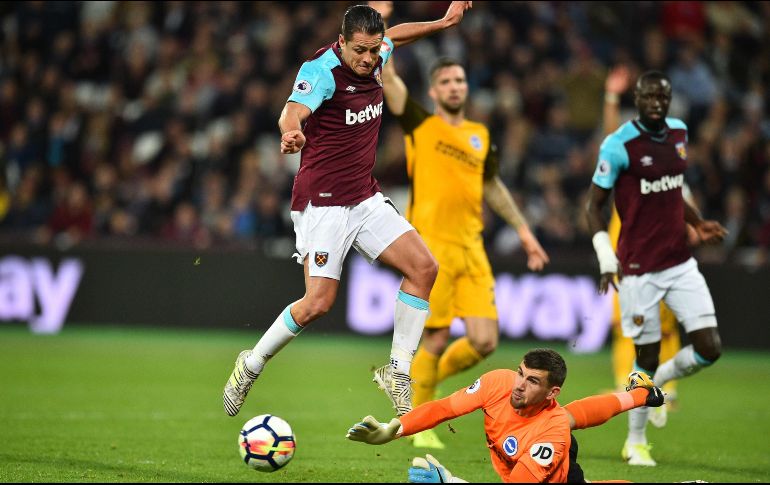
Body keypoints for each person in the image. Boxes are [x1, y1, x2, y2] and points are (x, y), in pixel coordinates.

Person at [223, 2, 473, 419]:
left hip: (364, 197)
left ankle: (397, 371)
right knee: (317, 303)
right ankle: (251, 363)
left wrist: (444, 22)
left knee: (424, 269)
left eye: (374, 51)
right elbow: (292, 110)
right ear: (342, 42)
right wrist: (292, 133)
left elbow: (399, 35)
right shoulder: (320, 71)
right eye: (360, 50)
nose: (369, 59)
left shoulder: (375, 55)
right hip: (323, 203)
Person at [377, 51, 549, 450]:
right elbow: (389, 79)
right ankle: (417, 424)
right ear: (434, 91)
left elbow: (492, 186)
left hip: (473, 247)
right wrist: (381, 24)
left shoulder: (480, 134)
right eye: (447, 81)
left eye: (460, 80)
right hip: (432, 246)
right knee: (435, 340)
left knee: (485, 341)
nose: (455, 86)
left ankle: (425, 383)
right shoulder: (420, 124)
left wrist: (524, 231)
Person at [585, 70, 727, 466]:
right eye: (648, 97)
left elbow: (674, 190)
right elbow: (593, 207)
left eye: (662, 97)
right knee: (643, 356)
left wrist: (697, 222)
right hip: (638, 268)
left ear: (669, 99)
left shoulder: (680, 133)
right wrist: (604, 256)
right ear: (637, 98)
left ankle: (659, 381)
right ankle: (635, 441)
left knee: (709, 348)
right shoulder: (618, 145)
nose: (656, 103)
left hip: (680, 261)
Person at [346, 348, 666, 483]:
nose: (519, 385)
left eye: (532, 381)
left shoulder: (552, 435)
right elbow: (445, 408)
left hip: (549, 463)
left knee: (560, 423)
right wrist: (396, 428)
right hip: (541, 434)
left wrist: (452, 481)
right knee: (567, 417)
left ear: (552, 392)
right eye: (520, 373)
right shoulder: (499, 382)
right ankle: (640, 393)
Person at [603, 65, 683, 427]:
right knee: (630, 327)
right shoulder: (621, 152)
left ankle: (666, 390)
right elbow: (609, 137)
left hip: (663, 249)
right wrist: (610, 97)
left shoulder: (668, 149)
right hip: (630, 251)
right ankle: (633, 388)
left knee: (665, 326)